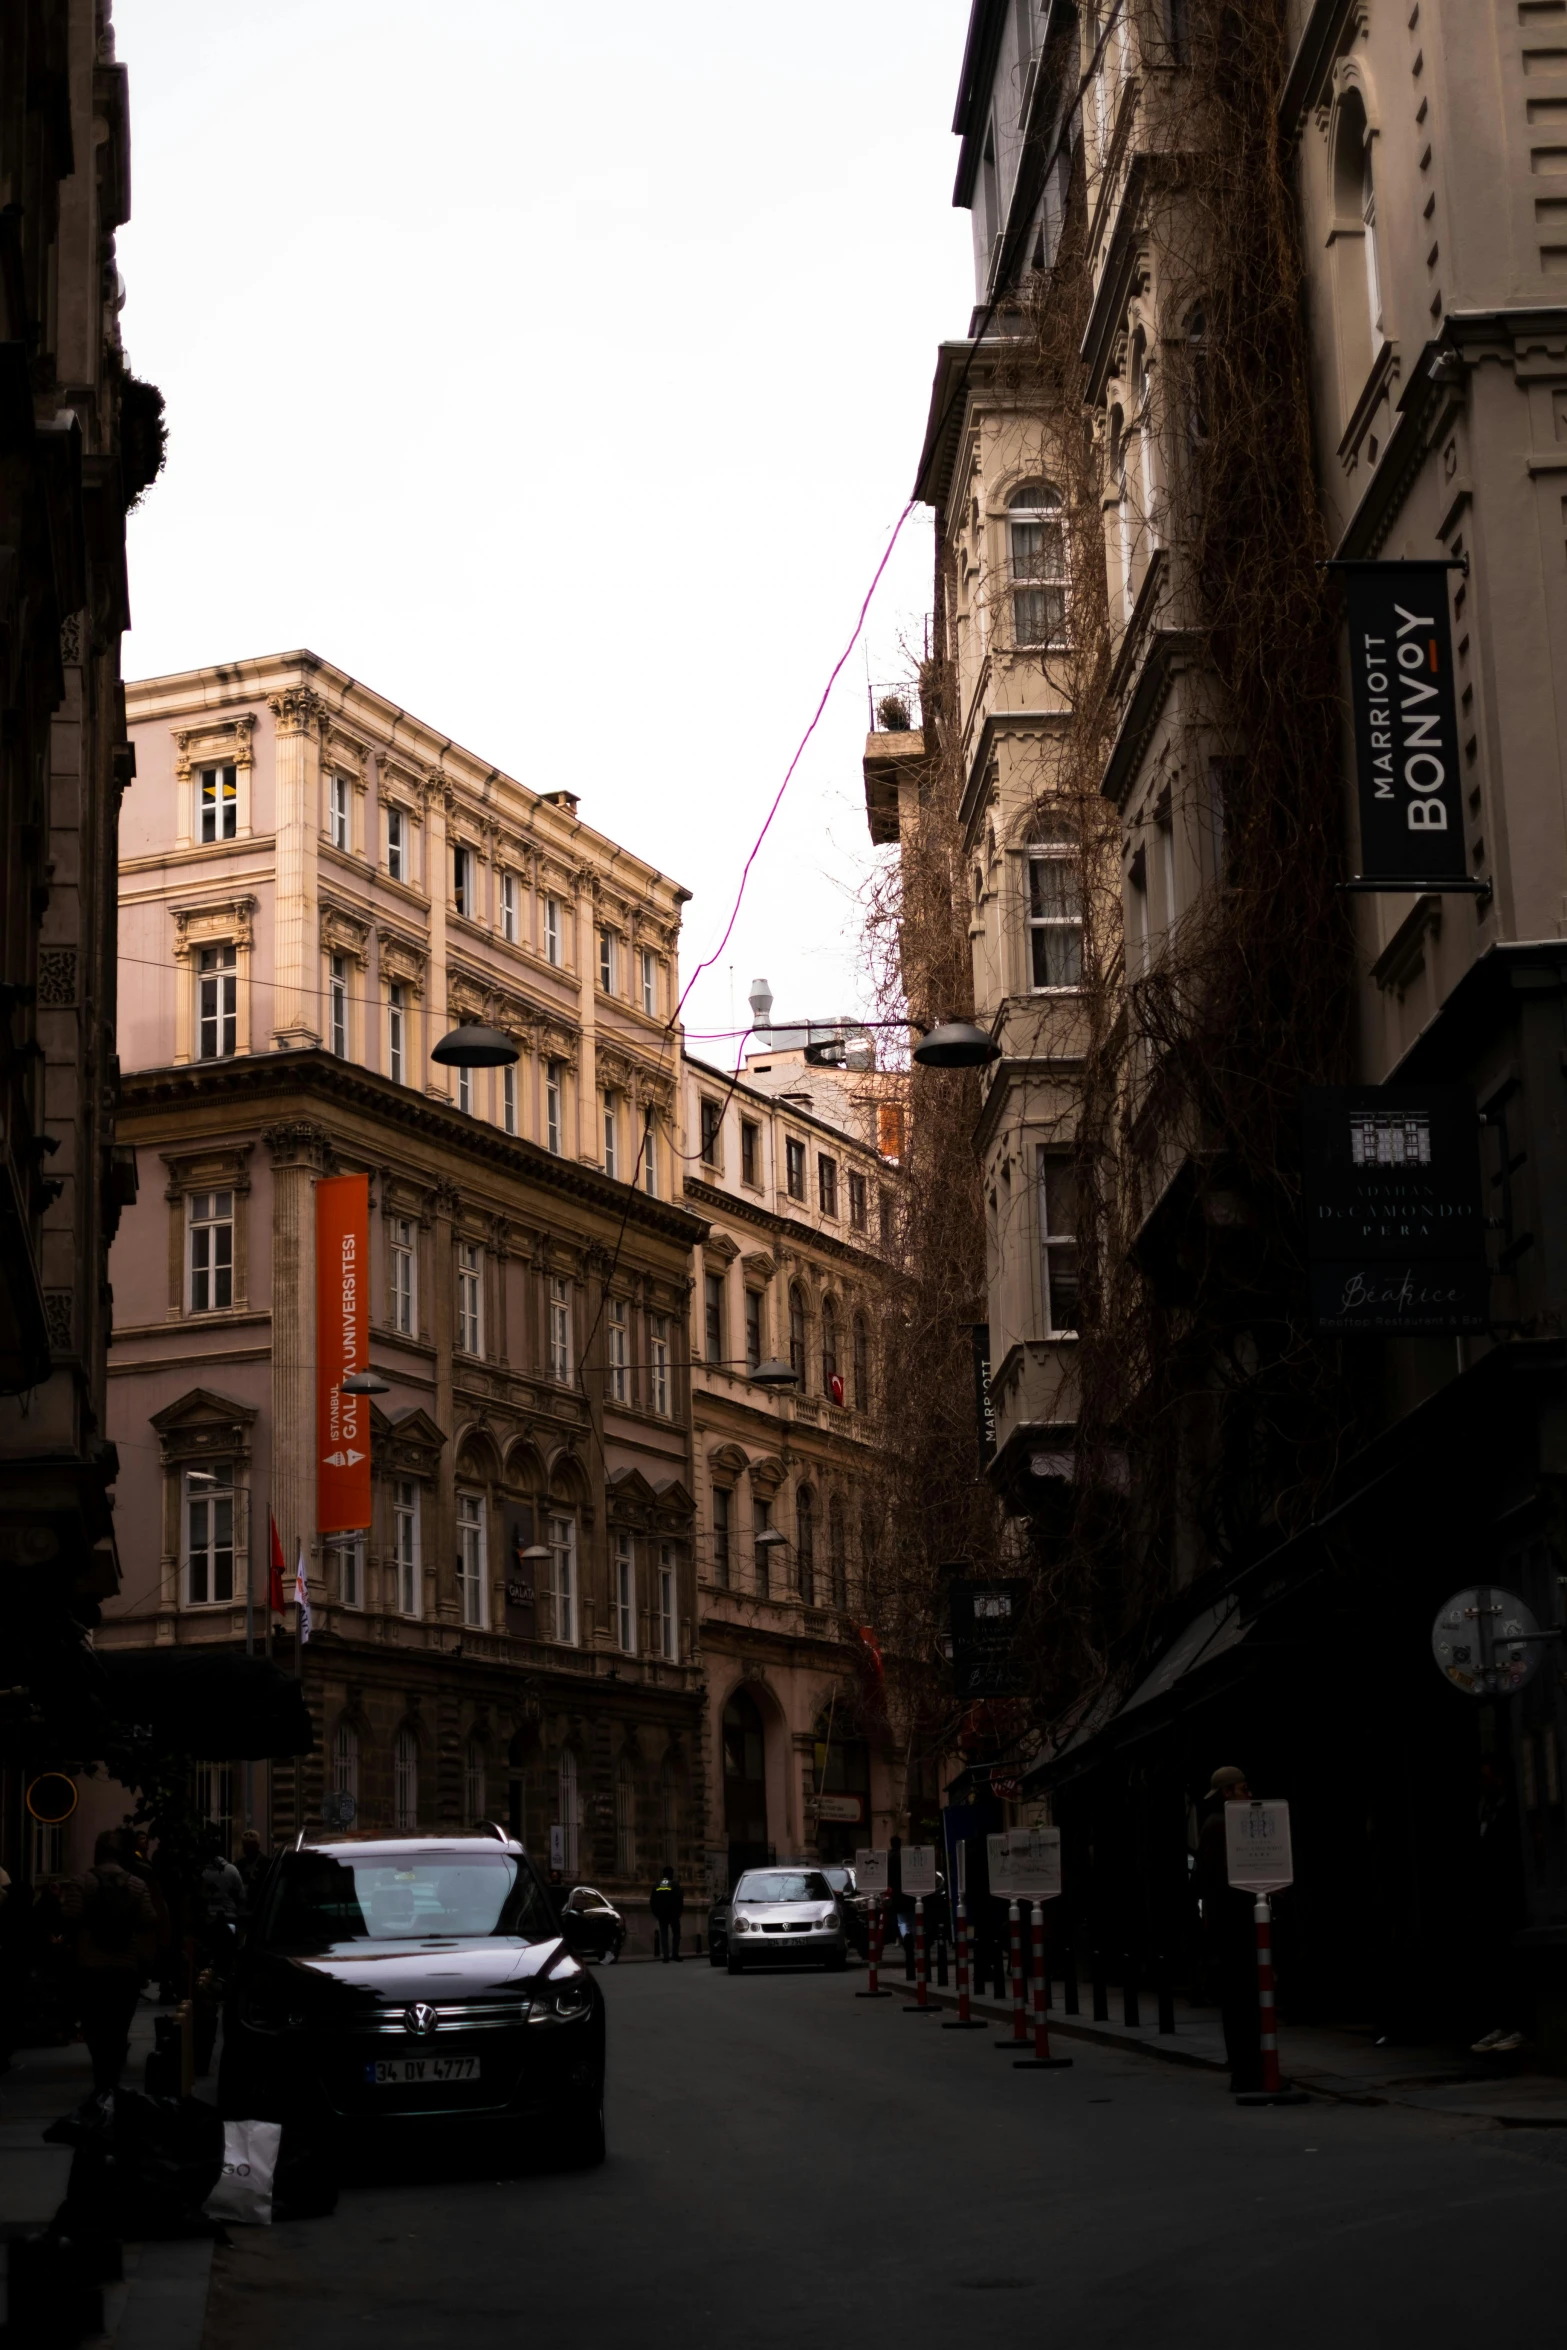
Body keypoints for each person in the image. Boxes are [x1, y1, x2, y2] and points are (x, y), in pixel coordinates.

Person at [59, 1830, 156, 2097]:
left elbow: (69, 1916)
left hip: (90, 1966)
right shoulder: (136, 1884)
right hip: (125, 1967)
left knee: (94, 2026)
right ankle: (112, 2078)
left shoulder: (82, 1882)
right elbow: (149, 1919)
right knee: (118, 2025)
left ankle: (102, 2078)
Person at [1195, 1765, 1262, 2093]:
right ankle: (1248, 2070)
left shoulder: (1215, 1825)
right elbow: (1218, 1882)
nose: (1250, 1794)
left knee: (1242, 2001)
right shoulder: (1221, 1826)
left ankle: (1247, 2067)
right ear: (1227, 1792)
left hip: (1230, 1926)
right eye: (1244, 1788)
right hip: (1235, 1928)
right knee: (1243, 2000)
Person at [650, 1866, 684, 1961]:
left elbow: (652, 1901)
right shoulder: (674, 1884)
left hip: (661, 1914)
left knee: (664, 1935)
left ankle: (666, 1956)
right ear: (671, 1874)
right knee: (676, 1934)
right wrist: (679, 1912)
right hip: (673, 1914)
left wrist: (656, 1913)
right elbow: (680, 1899)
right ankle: (675, 1954)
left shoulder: (657, 1885)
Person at [234, 1827, 268, 1910]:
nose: (248, 1849)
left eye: (251, 1845)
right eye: (246, 1846)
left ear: (257, 1846)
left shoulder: (266, 1864)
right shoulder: (238, 1865)